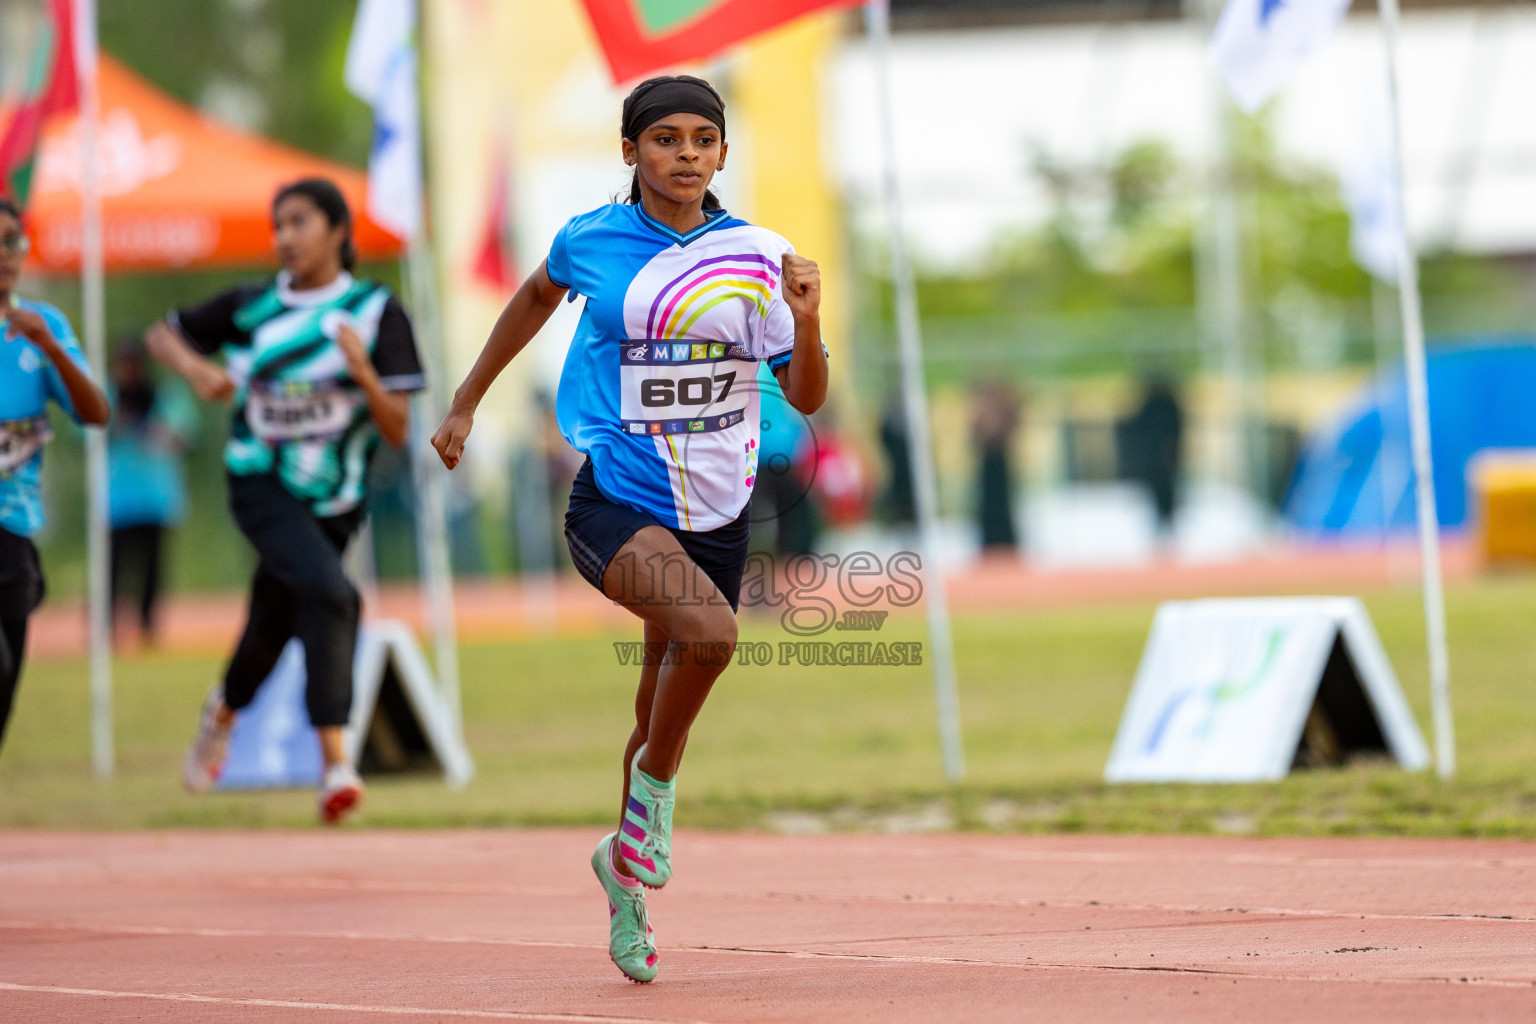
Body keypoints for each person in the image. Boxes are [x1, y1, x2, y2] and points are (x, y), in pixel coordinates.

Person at [431, 75, 827, 983]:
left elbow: (804, 398)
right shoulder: (592, 240)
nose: (685, 155)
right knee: (714, 636)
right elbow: (533, 298)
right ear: (631, 152)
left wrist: (805, 322)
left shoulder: (763, 255)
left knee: (655, 704)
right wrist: (466, 404)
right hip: (616, 497)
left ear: (723, 154)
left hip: (717, 513)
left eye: (702, 139)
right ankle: (652, 800)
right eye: (664, 140)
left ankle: (625, 883)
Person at [145, 178, 425, 824]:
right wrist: (198, 371)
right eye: (278, 226)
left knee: (275, 616)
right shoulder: (251, 306)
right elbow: (164, 335)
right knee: (333, 595)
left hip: (338, 494)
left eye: (299, 222)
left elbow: (397, 428)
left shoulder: (377, 313)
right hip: (260, 478)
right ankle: (336, 764)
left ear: (337, 230)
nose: (285, 238)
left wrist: (364, 377)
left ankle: (223, 709)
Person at [0, 198, 110, 752]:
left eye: (12, 241)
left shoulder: (43, 328)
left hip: (15, 527)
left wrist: (50, 348)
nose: (5, 254)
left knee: (7, 679)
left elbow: (96, 413)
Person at [107, 341, 198, 646]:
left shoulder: (166, 396)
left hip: (156, 496)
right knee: (113, 566)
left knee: (153, 567)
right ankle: (107, 627)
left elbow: (185, 437)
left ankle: (147, 627)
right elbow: (85, 434)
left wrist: (157, 429)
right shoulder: (108, 396)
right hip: (117, 499)